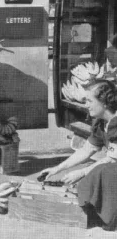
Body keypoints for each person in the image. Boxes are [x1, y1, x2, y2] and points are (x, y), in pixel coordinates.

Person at [38, 79, 117, 230]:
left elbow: (112, 159)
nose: (86, 105)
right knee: (93, 172)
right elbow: (86, 150)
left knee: (103, 172)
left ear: (105, 103)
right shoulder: (101, 122)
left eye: (89, 101)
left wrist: (81, 172)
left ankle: (111, 219)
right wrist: (57, 168)